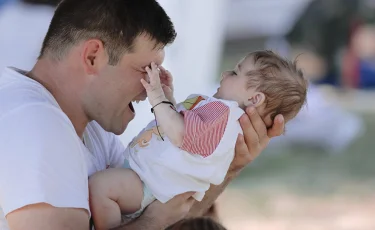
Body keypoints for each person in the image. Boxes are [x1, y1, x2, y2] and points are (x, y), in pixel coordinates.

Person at [0, 0, 285, 230]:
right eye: (145, 70)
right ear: (92, 57)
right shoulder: (35, 124)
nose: (153, 85)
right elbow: (156, 217)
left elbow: (160, 202)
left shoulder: (88, 128)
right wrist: (153, 222)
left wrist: (230, 162)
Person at [89, 51, 307, 229]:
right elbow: (181, 129)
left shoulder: (226, 117)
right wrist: (167, 97)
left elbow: (181, 135)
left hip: (150, 183)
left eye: (235, 72)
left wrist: (156, 96)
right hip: (149, 178)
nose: (224, 74)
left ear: (254, 98)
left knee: (100, 188)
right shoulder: (222, 120)